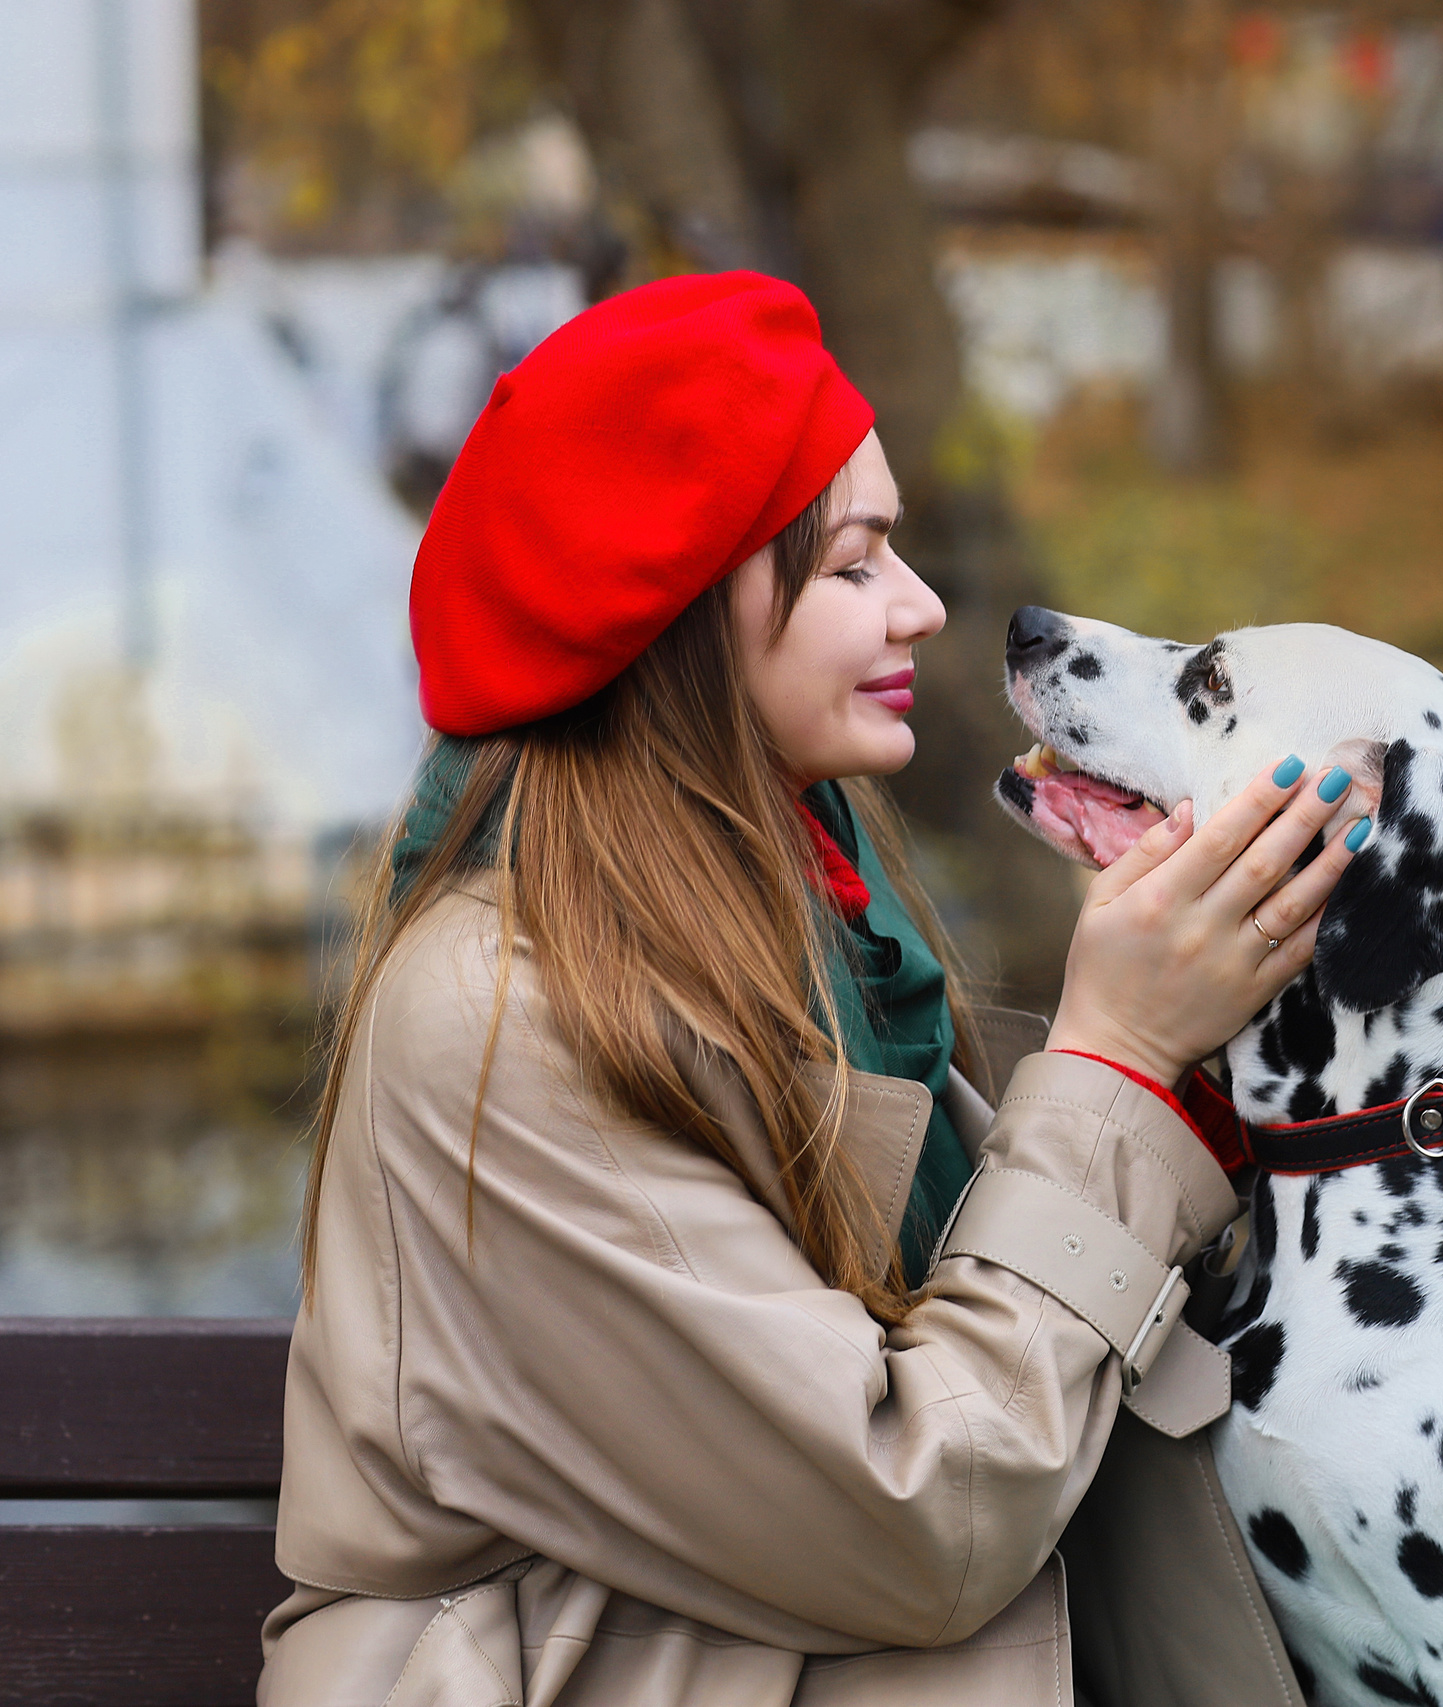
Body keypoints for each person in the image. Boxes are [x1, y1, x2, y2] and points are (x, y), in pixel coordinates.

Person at [260, 273, 1366, 1706]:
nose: (920, 607)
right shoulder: (499, 1021)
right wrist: (1119, 1060)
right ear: (673, 623)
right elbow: (920, 1521)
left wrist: (1223, 1041)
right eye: (852, 567)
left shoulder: (814, 915)